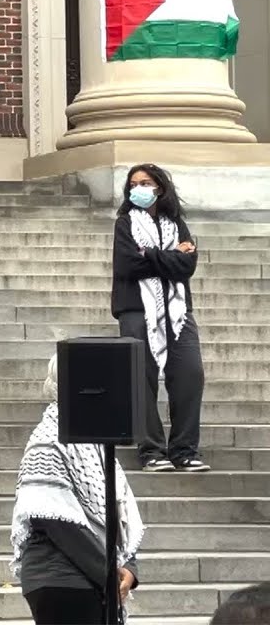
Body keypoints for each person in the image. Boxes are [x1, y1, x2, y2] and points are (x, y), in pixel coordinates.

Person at [12, 355, 145, 625]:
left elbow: (117, 511)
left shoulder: (96, 439)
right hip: (61, 579)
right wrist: (107, 572)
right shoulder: (48, 439)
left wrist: (129, 568)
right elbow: (51, 517)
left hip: (96, 578)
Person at [112, 163, 208, 472]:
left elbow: (187, 267)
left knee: (190, 375)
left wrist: (149, 254)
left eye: (146, 182)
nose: (138, 188)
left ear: (160, 188)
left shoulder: (177, 224)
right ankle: (151, 450)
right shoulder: (125, 224)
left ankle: (184, 450)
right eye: (134, 184)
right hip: (137, 310)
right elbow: (127, 266)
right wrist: (170, 257)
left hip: (177, 311)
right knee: (141, 379)